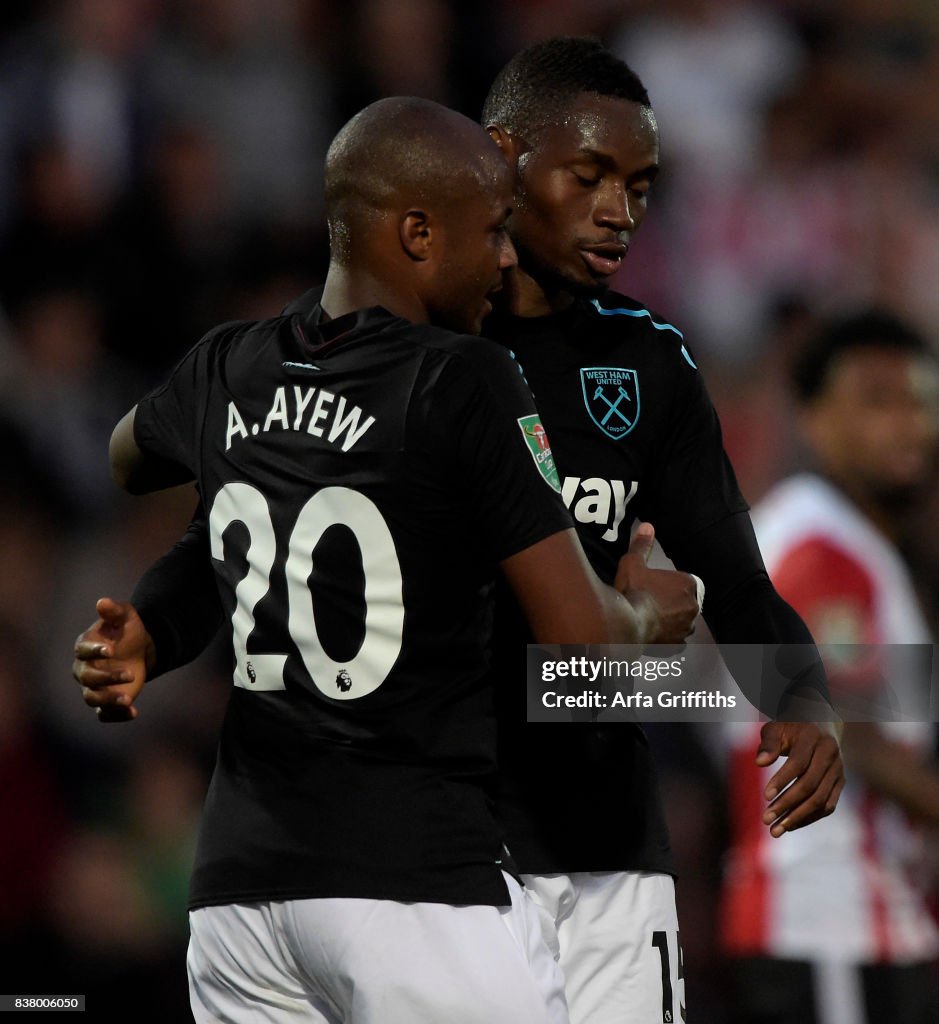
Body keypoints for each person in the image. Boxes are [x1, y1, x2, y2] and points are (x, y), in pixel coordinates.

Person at [75, 38, 844, 1024]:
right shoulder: (413, 353)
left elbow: (734, 581)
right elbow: (229, 537)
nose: (621, 209)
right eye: (591, 175)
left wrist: (804, 692)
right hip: (432, 860)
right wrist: (647, 636)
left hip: (589, 849)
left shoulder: (646, 366)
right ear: (502, 160)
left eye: (643, 185)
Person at [720, 309, 939, 1024]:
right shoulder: (821, 549)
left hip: (848, 920)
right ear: (813, 420)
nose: (907, 423)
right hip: (828, 920)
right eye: (876, 401)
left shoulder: (843, 542)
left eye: (918, 399)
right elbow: (854, 735)